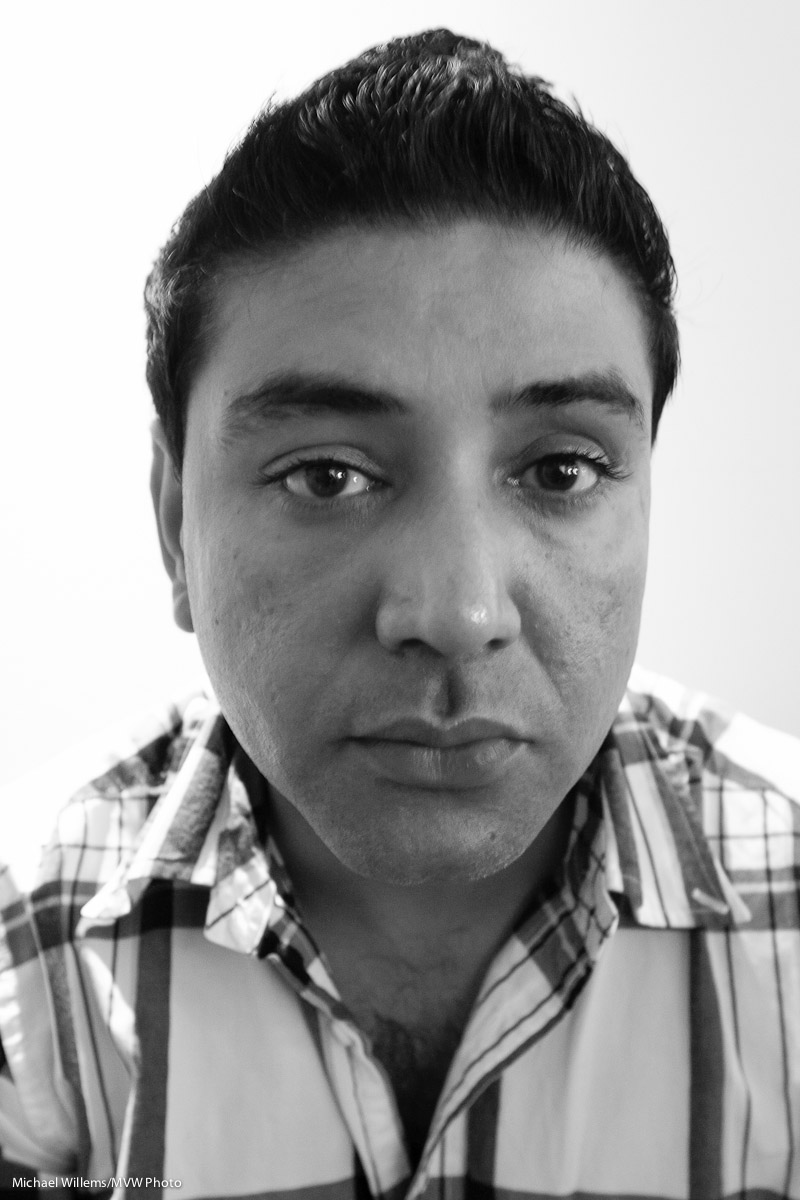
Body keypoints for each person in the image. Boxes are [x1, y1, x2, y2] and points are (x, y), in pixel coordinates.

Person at [0, 27, 798, 1200]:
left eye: (560, 470)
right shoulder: (25, 951)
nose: (457, 612)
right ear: (175, 523)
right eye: (327, 475)